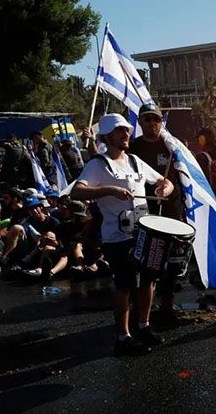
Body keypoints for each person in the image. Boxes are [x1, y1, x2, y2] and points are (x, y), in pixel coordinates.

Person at [71, 113, 174, 357]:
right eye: (119, 131)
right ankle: (123, 337)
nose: (126, 134)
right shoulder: (98, 164)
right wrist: (110, 190)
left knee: (149, 279)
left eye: (126, 130)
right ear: (107, 136)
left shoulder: (135, 162)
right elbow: (77, 192)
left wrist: (164, 189)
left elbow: (164, 181)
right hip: (117, 237)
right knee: (125, 285)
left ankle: (144, 326)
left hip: (144, 231)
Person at [129, 103, 185, 319]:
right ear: (141, 123)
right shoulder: (133, 148)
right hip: (144, 212)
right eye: (147, 119)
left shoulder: (172, 146)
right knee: (144, 261)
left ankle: (167, 305)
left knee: (171, 260)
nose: (152, 123)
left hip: (171, 210)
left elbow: (184, 175)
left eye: (156, 119)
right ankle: (142, 308)